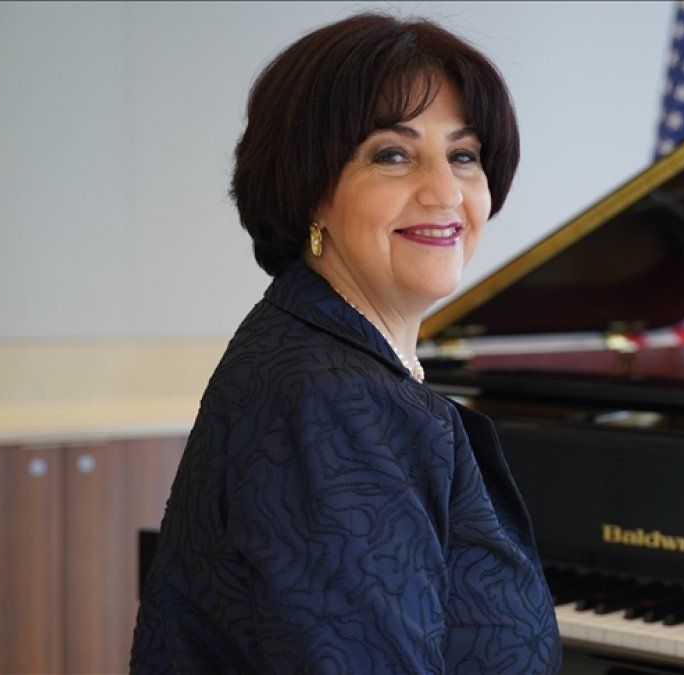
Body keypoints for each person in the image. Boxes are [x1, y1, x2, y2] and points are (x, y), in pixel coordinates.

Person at [131, 13, 562, 673]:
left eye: (464, 155)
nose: (444, 191)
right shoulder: (333, 403)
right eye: (393, 154)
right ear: (312, 192)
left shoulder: (319, 352)